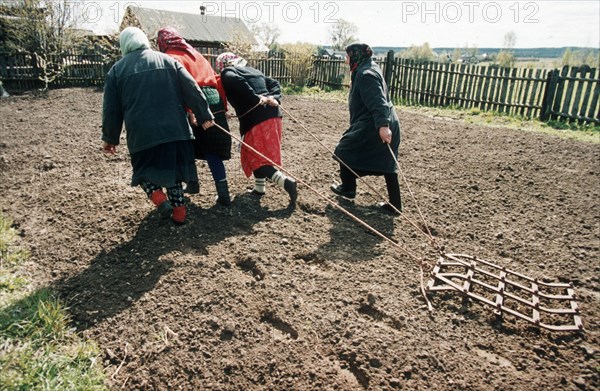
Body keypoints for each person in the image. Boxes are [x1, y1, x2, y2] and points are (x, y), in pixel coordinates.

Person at [102, 27, 214, 225]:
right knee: (174, 172)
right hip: (176, 131)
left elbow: (111, 109)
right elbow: (192, 89)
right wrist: (204, 114)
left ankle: (159, 199)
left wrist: (110, 138)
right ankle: (179, 215)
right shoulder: (169, 61)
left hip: (142, 135)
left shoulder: (116, 71)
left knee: (143, 171)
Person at [157, 27, 232, 206]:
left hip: (196, 101)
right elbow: (215, 78)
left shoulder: (171, 57)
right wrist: (223, 107)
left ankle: (194, 185)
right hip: (214, 99)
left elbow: (184, 87)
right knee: (211, 148)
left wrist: (190, 111)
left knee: (188, 145)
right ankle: (223, 194)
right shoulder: (196, 54)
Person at [216, 52, 297, 207]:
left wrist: (255, 97)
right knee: (256, 153)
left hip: (256, 119)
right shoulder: (254, 70)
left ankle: (286, 183)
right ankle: (259, 188)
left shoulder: (228, 72)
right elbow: (274, 83)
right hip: (273, 116)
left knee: (255, 156)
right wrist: (274, 97)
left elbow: (234, 80)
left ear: (223, 64)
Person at [330, 43, 402, 214]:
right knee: (386, 161)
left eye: (347, 56)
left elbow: (378, 101)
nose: (346, 60)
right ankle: (395, 205)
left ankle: (348, 187)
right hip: (381, 120)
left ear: (356, 55)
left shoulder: (365, 74)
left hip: (374, 123)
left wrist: (383, 126)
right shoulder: (368, 66)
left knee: (344, 150)